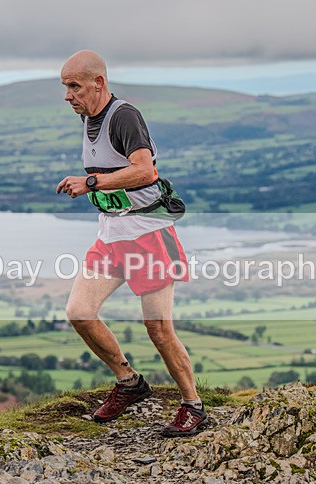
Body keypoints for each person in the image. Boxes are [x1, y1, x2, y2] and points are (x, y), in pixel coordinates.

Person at [56, 50, 208, 437]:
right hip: (111, 234)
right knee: (79, 311)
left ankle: (193, 406)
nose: (68, 95)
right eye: (65, 87)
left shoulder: (124, 116)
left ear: (98, 83)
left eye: (74, 86)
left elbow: (145, 171)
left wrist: (91, 182)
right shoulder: (88, 118)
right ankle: (129, 382)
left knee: (158, 329)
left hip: (147, 235)